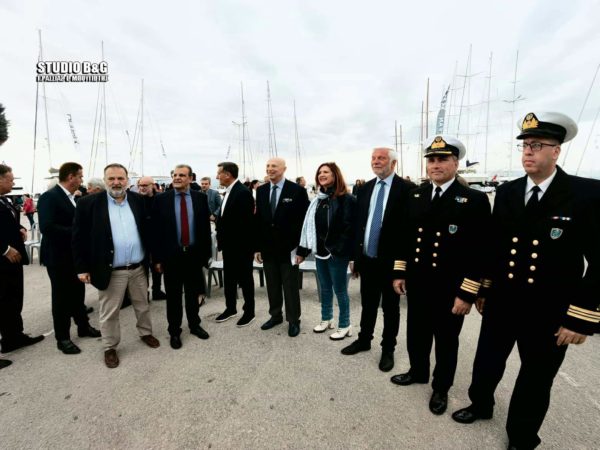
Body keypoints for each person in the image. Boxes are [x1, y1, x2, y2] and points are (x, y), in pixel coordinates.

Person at [452, 112, 600, 449]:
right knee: (487, 361)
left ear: (556, 151)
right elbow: (495, 246)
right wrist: (484, 288)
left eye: (537, 145)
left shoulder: (585, 194)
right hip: (503, 300)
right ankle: (481, 404)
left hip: (550, 308)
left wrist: (581, 316)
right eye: (524, 145)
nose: (528, 151)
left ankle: (521, 435)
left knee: (536, 376)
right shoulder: (508, 191)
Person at [389, 136, 492, 416]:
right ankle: (418, 371)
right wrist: (400, 272)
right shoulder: (416, 195)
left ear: (455, 163)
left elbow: (481, 251)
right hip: (419, 282)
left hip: (450, 287)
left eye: (442, 159)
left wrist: (467, 293)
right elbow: (405, 238)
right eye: (432, 160)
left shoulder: (474, 199)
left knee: (446, 341)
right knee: (416, 333)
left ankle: (441, 387)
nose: (435, 165)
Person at [73, 163, 160, 368]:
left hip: (138, 268)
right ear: (105, 181)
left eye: (120, 178)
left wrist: (155, 259)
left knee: (142, 305)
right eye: (111, 178)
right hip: (111, 271)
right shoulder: (88, 204)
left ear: (127, 181)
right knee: (110, 312)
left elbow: (149, 232)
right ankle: (110, 347)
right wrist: (81, 268)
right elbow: (78, 238)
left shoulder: (138, 200)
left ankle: (145, 333)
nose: (116, 182)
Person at [340, 148, 414, 372]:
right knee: (368, 304)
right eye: (373, 158)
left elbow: (409, 232)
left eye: (381, 158)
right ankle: (364, 340)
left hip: (392, 263)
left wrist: (402, 269)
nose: (376, 162)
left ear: (393, 163)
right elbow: (358, 225)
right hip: (367, 259)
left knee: (390, 309)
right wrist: (355, 258)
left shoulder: (408, 189)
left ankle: (388, 349)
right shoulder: (365, 188)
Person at [37, 162, 100, 355]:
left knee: (77, 293)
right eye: (80, 176)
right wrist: (77, 232)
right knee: (62, 299)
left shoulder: (73, 197)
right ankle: (62, 338)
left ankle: (83, 326)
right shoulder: (50, 197)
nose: (82, 180)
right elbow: (47, 227)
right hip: (58, 258)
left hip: (74, 257)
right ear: (71, 177)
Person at [152, 164, 212, 349]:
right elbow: (155, 232)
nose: (177, 178)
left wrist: (206, 256)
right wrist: (157, 259)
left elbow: (204, 228)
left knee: (193, 294)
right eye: (175, 175)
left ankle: (195, 325)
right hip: (172, 256)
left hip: (193, 255)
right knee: (173, 296)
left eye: (182, 175)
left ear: (190, 178)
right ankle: (174, 331)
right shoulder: (161, 199)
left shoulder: (200, 198)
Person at [297, 162, 356, 340]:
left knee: (340, 290)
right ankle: (327, 318)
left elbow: (350, 228)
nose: (321, 175)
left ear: (335, 175)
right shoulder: (318, 200)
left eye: (326, 172)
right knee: (325, 288)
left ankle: (345, 324)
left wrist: (341, 250)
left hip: (337, 253)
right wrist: (303, 251)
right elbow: (309, 227)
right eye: (319, 172)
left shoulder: (346, 199)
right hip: (319, 251)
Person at [255, 158, 310, 337]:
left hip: (289, 248)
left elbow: (304, 222)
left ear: (284, 169)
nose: (270, 169)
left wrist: (302, 250)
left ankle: (293, 320)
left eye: (274, 166)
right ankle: (275, 315)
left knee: (290, 286)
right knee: (272, 285)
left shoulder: (297, 191)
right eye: (268, 166)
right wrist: (257, 248)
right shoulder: (261, 190)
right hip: (268, 248)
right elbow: (259, 221)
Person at [0, 165, 44, 367]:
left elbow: (7, 222)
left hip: (13, 261)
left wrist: (19, 228)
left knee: (14, 298)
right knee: (3, 301)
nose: (13, 183)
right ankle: (9, 338)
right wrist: (4, 249)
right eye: (10, 180)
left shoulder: (5, 200)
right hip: (3, 260)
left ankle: (14, 337)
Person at [214, 162, 256, 327]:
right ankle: (230, 308)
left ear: (228, 174)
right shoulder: (229, 191)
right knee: (229, 279)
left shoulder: (242, 192)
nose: (217, 176)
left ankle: (249, 312)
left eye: (219, 173)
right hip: (228, 246)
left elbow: (246, 223)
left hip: (241, 247)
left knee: (245, 280)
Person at [136, 176, 166, 301]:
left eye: (145, 185)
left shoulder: (159, 199)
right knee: (142, 269)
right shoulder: (136, 200)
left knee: (157, 266)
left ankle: (157, 291)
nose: (142, 188)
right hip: (141, 239)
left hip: (157, 239)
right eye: (140, 186)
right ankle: (145, 293)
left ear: (152, 185)